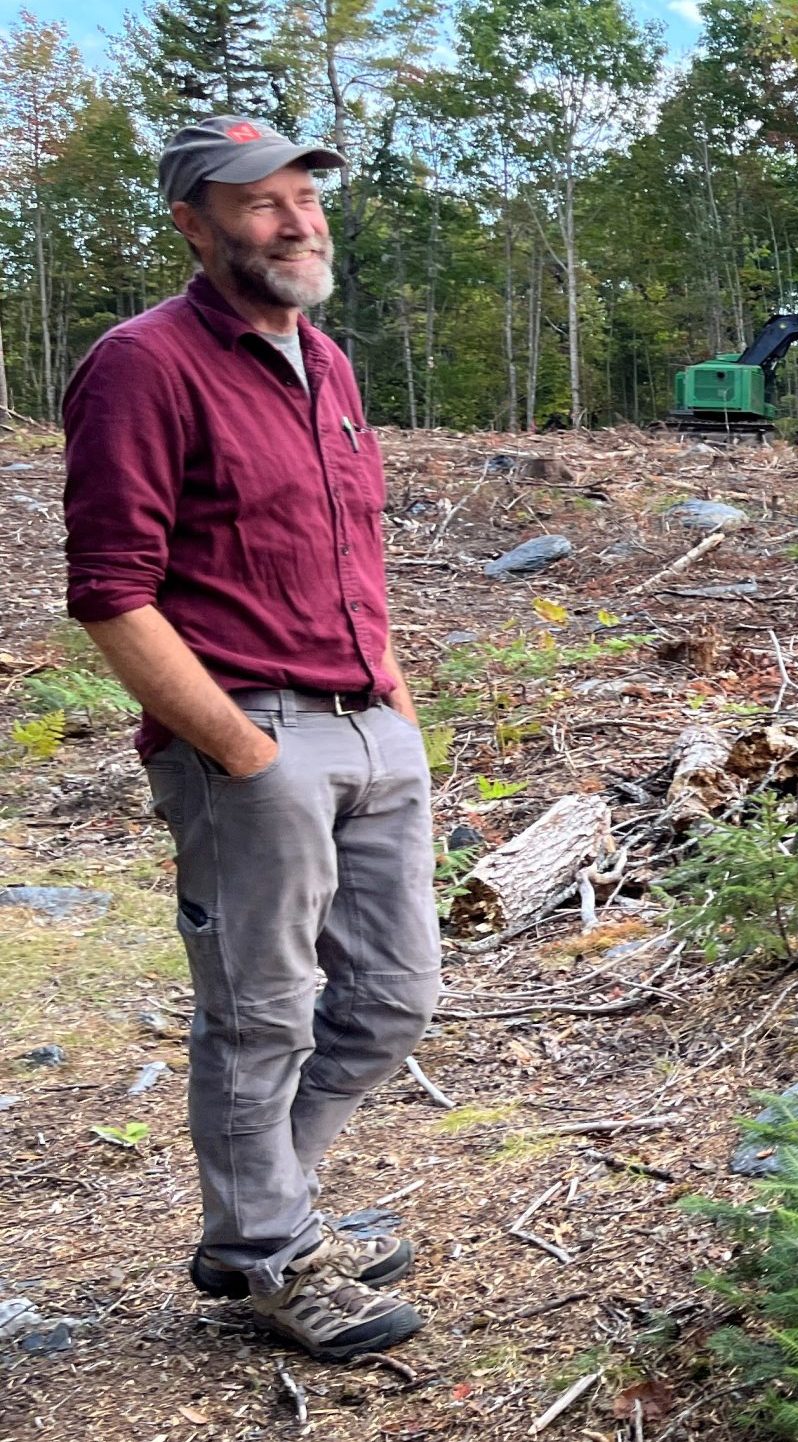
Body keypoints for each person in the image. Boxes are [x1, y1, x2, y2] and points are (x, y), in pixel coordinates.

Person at [59, 116, 439, 1362]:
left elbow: (351, 552)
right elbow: (112, 592)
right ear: (193, 223)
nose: (295, 221)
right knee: (260, 1012)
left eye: (304, 197)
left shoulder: (326, 362)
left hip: (369, 722)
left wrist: (395, 704)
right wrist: (239, 750)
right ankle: (272, 1251)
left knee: (391, 997)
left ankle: (261, 1216)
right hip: (252, 736)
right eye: (260, 202)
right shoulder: (142, 365)